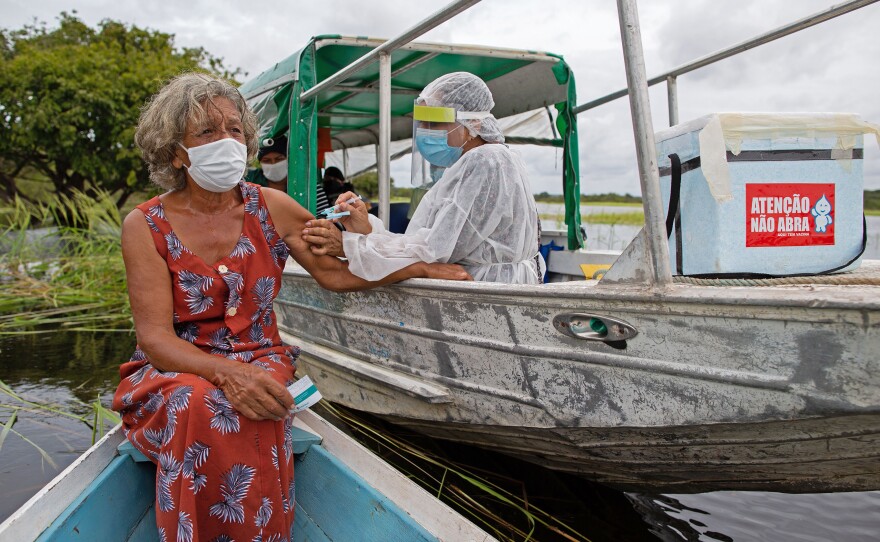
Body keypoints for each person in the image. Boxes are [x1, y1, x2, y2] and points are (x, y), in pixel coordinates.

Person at [112, 72, 470, 541]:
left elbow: (336, 271)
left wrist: (414, 268)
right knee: (197, 402)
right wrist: (225, 374)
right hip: (177, 367)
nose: (227, 142)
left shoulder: (272, 207)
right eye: (207, 132)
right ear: (176, 152)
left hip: (260, 357)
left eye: (235, 130)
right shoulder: (145, 226)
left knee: (257, 404)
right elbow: (155, 339)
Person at [302, 71, 544, 284]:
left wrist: (349, 244)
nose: (426, 131)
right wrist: (366, 228)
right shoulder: (474, 163)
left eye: (435, 122)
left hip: (486, 290)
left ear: (473, 122)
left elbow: (434, 251)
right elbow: (424, 242)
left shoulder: (485, 160)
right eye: (423, 122)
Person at [246, 135, 332, 214]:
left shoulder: (308, 186)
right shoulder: (250, 181)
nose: (273, 164)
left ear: (289, 159)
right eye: (266, 160)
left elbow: (324, 216)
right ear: (260, 163)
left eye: (279, 159)